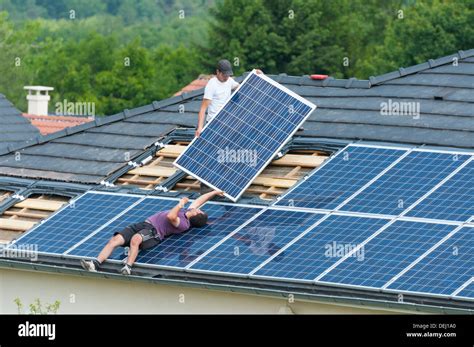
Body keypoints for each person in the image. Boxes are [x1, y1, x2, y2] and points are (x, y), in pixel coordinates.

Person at [80, 190, 223, 275]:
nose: (197, 208)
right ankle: (95, 264)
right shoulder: (187, 212)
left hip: (154, 232)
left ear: (196, 216)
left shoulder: (184, 224)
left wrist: (180, 204)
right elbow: (201, 199)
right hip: (144, 223)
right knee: (115, 240)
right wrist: (215, 192)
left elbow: (170, 217)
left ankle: (128, 267)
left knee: (136, 240)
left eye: (198, 210)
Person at [195, 59, 262, 137]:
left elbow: (243, 88)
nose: (226, 77)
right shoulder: (212, 85)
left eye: (228, 75)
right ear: (217, 72)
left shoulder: (229, 81)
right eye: (224, 75)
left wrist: (254, 75)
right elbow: (203, 109)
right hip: (213, 124)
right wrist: (200, 127)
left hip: (226, 122)